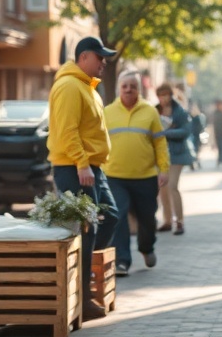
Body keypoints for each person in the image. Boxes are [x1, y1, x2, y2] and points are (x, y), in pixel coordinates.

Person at [47, 35, 121, 320]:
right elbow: (68, 130)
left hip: (91, 167)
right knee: (87, 226)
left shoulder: (88, 87)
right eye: (100, 57)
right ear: (83, 57)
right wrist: (81, 163)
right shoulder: (69, 86)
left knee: (110, 215)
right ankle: (82, 295)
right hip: (75, 168)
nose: (103, 63)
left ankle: (83, 271)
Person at [103, 72, 169, 277]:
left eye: (132, 85)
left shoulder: (150, 112)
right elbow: (98, 142)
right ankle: (122, 261)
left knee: (147, 219)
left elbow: (160, 143)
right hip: (115, 175)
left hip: (145, 176)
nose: (128, 89)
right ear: (119, 89)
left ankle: (146, 247)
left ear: (139, 89)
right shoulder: (107, 112)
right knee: (118, 215)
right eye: (125, 86)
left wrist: (163, 169)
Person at [155, 83, 194, 235]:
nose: (163, 99)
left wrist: (166, 133)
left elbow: (186, 131)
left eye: (166, 95)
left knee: (172, 186)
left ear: (171, 96)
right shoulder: (155, 110)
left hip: (177, 154)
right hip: (161, 154)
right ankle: (167, 221)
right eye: (161, 96)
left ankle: (180, 221)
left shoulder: (180, 111)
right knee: (163, 189)